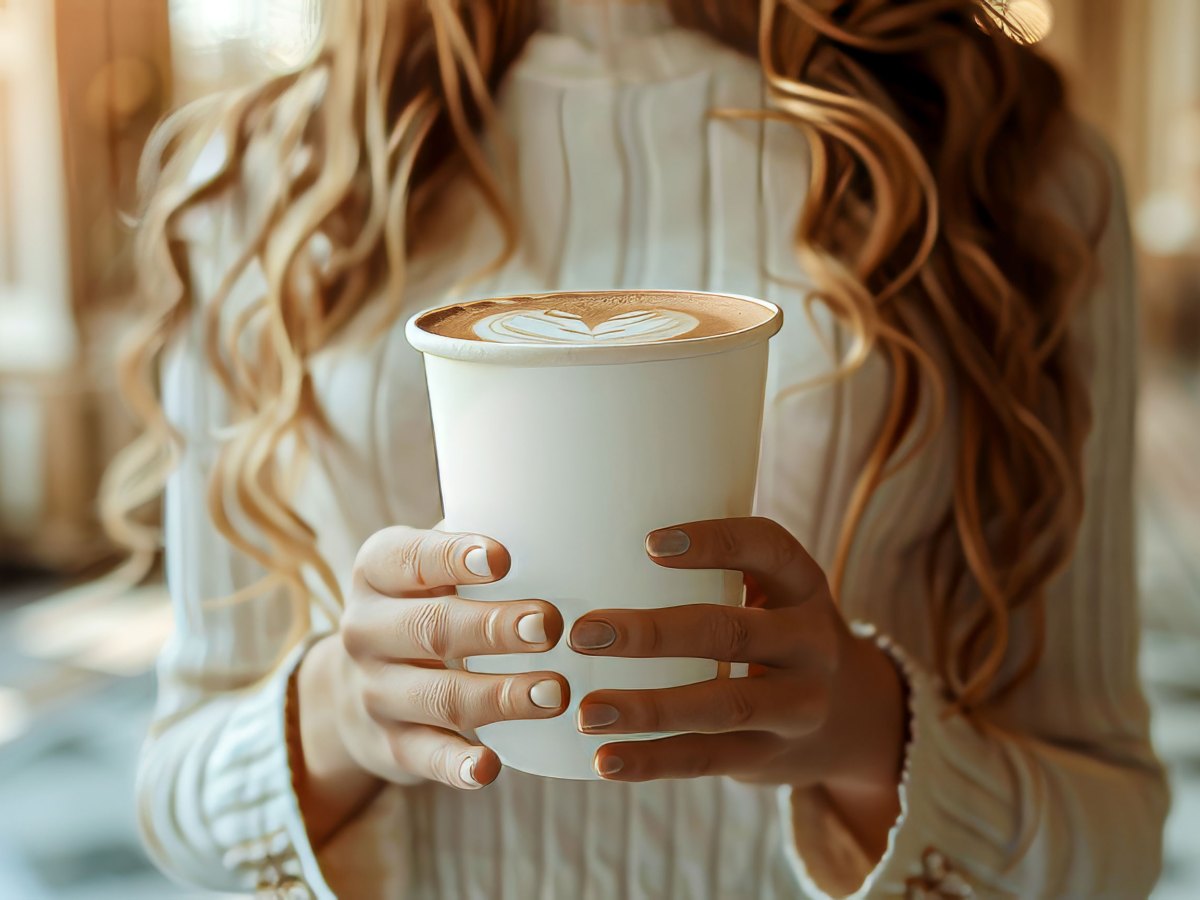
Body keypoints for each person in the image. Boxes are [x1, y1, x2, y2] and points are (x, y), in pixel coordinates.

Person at [105, 1, 1169, 897]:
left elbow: (1115, 836)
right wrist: (344, 713)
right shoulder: (260, 181)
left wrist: (859, 729)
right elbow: (171, 793)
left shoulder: (1015, 171)